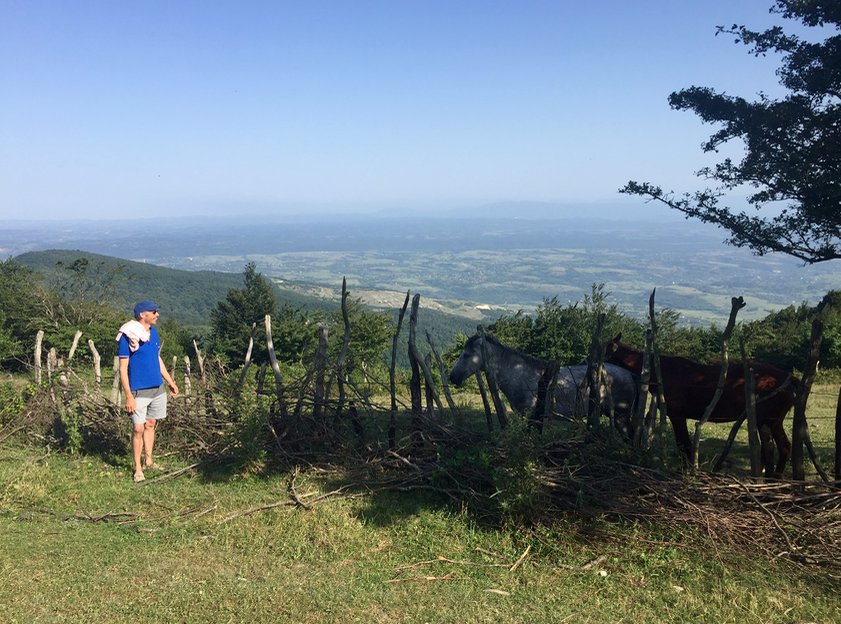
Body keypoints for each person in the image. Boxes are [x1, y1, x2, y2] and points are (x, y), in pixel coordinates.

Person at [117, 301, 179, 483]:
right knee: (138, 428)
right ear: (142, 315)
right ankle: (138, 468)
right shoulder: (128, 337)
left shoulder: (154, 333)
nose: (157, 314)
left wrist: (170, 382)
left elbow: (157, 358)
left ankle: (149, 461)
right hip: (138, 390)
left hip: (157, 388)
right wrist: (128, 395)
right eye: (154, 312)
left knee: (151, 424)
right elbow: (123, 368)